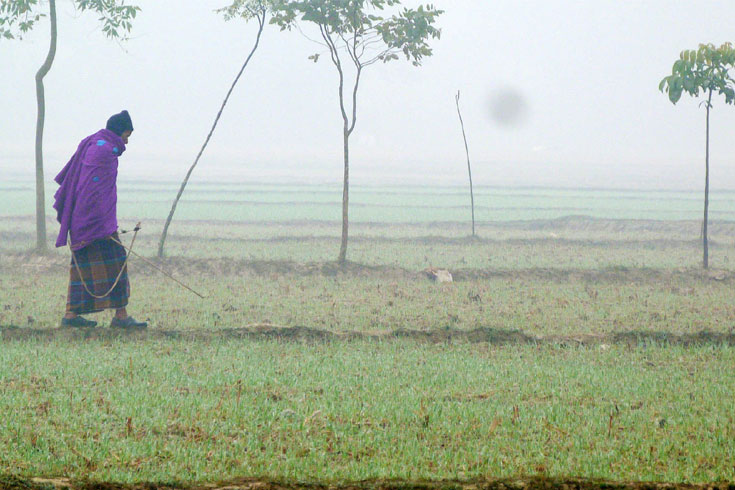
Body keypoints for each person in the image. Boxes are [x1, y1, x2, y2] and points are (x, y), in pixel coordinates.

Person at [53, 110, 147, 329]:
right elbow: (93, 191)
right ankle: (121, 317)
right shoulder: (104, 151)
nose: (126, 141)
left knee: (82, 266)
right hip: (94, 223)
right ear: (118, 131)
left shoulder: (98, 145)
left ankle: (71, 316)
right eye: (126, 135)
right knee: (116, 261)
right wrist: (104, 224)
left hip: (85, 221)